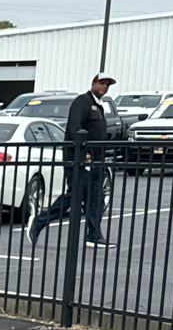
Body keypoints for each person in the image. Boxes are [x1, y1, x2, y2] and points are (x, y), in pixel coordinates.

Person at [28, 73, 114, 247]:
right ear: (94, 83)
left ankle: (93, 236)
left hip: (96, 162)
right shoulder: (82, 102)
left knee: (95, 198)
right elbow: (75, 127)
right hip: (80, 161)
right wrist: (82, 152)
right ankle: (39, 222)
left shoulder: (99, 106)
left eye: (108, 85)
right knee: (73, 197)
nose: (105, 87)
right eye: (103, 83)